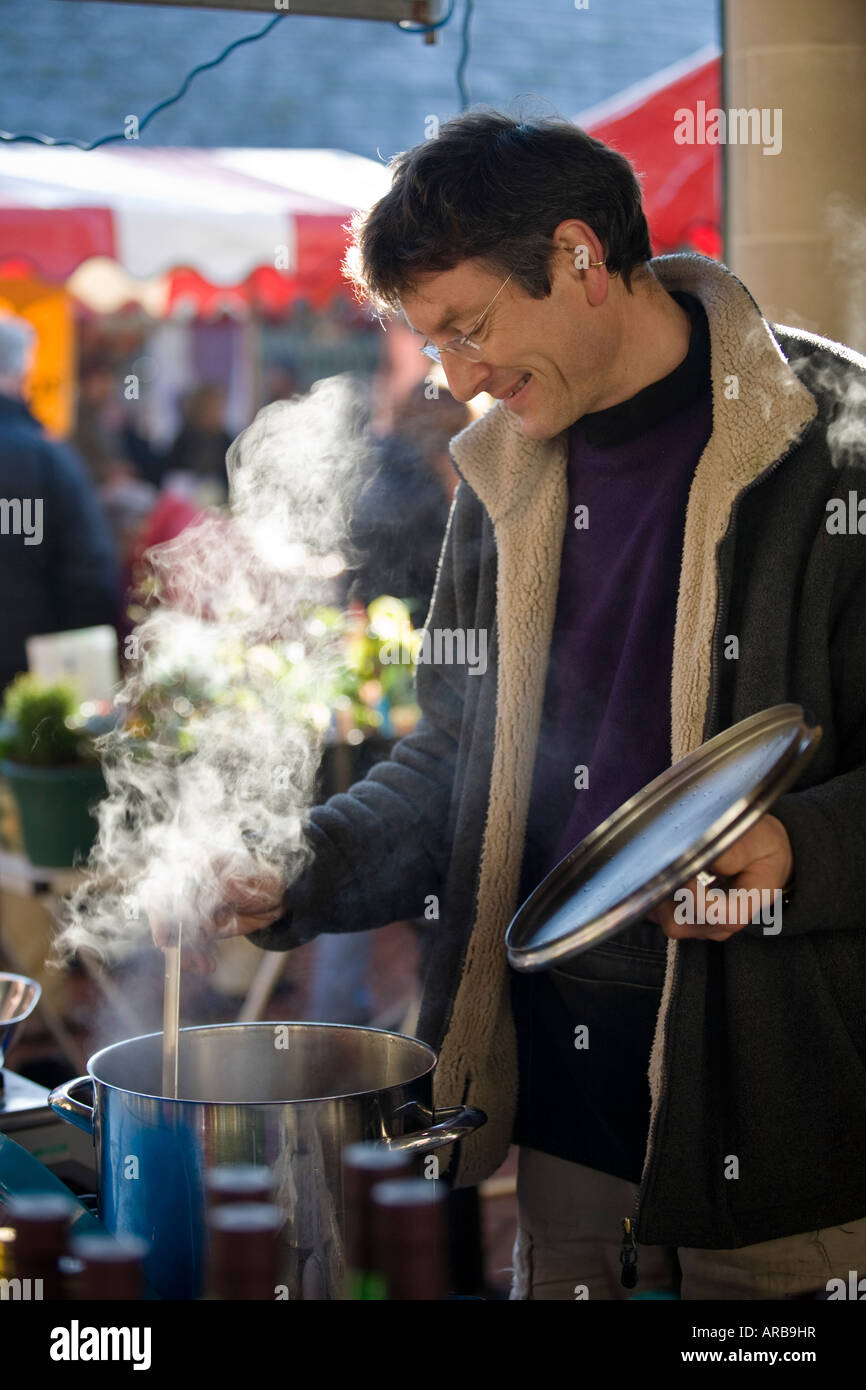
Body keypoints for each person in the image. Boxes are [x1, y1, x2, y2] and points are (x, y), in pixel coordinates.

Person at [156, 113, 866, 1300]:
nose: (456, 379)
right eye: (431, 342)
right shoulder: (500, 475)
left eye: (468, 327)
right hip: (556, 1097)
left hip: (784, 1104)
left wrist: (794, 845)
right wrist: (304, 866)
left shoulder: (832, 444)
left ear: (581, 258)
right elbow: (451, 758)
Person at [0, 313, 119, 694]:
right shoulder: (45, 459)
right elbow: (92, 578)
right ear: (23, 374)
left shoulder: (45, 459)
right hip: (28, 682)